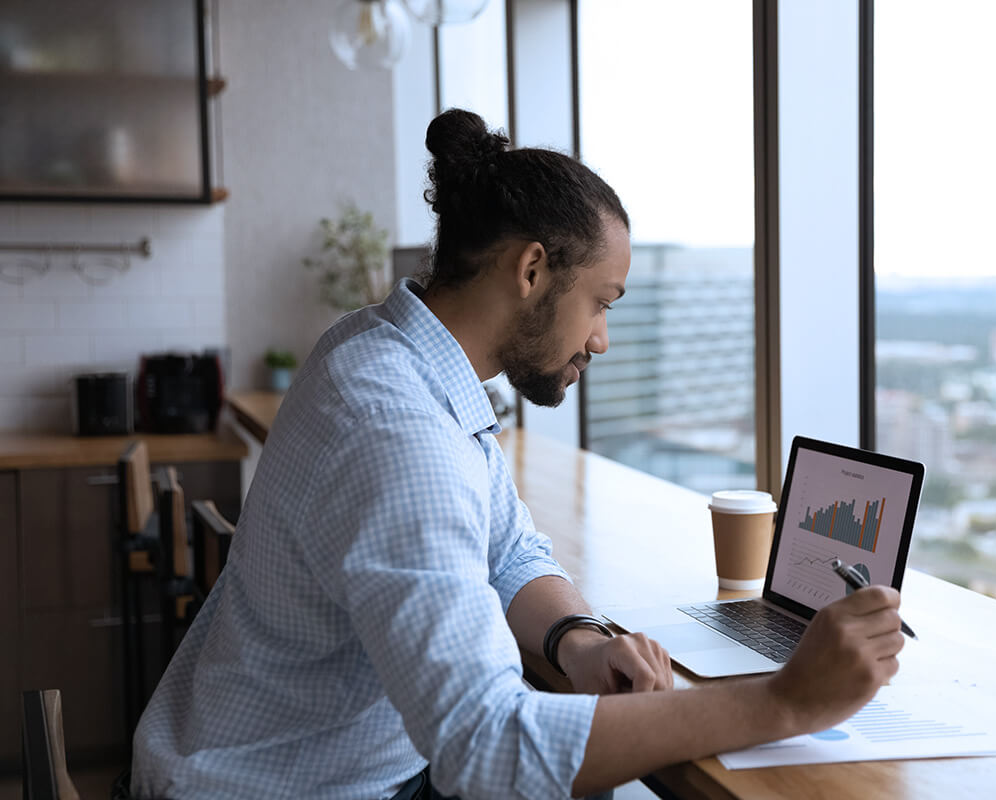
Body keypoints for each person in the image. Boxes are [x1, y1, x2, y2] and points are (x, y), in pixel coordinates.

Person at [131, 109, 905, 799]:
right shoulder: (398, 433)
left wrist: (578, 641)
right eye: (601, 302)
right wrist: (788, 702)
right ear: (531, 270)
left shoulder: (389, 352)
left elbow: (508, 547)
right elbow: (488, 749)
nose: (601, 338)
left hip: (320, 761)